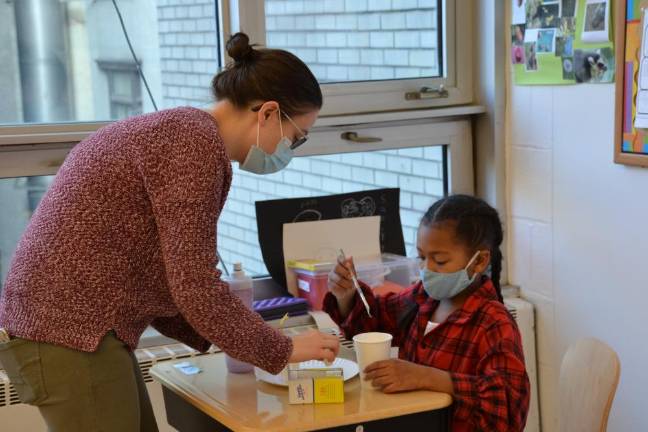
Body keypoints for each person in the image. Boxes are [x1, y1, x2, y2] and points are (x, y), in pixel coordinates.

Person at [0, 32, 339, 432]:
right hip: (68, 329)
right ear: (267, 113)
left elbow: (169, 275)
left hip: (76, 328)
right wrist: (280, 348)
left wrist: (240, 337)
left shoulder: (185, 135)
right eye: (295, 139)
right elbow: (193, 283)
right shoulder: (190, 142)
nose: (289, 152)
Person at [325, 195, 530, 431]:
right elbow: (371, 320)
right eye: (422, 257)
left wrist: (430, 378)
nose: (426, 269)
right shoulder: (423, 297)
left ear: (479, 261)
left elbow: (507, 409)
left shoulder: (493, 323)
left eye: (440, 261)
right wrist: (347, 294)